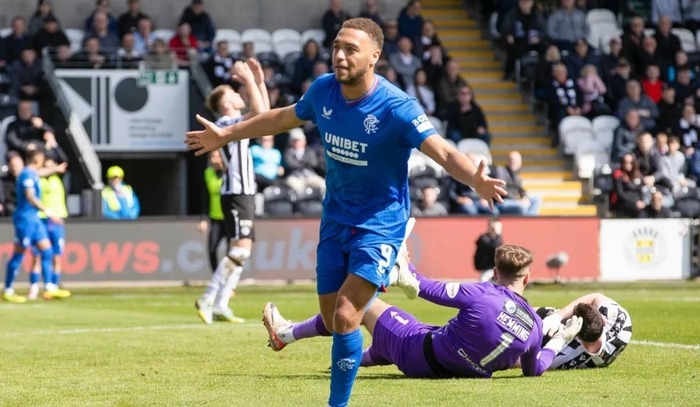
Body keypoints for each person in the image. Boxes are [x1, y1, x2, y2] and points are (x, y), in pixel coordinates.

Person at [185, 18, 506, 407]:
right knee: (334, 316)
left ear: (374, 56)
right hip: (335, 219)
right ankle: (369, 286)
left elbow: (442, 151)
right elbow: (282, 117)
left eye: (350, 49)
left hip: (380, 224)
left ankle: (337, 403)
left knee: (346, 313)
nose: (339, 55)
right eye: (336, 46)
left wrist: (476, 179)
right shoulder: (323, 90)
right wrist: (227, 133)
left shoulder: (397, 107)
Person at [262, 245, 583, 379]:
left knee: (361, 302)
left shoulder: (483, 292)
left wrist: (406, 266)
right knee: (403, 335)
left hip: (418, 353)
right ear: (527, 278)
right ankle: (346, 363)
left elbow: (429, 290)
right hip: (444, 362)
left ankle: (285, 334)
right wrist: (560, 341)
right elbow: (534, 370)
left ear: (495, 272)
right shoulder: (536, 330)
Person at [194, 58, 269, 325]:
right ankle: (209, 297)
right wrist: (249, 79)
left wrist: (258, 81)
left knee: (241, 251)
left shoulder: (231, 121)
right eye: (234, 93)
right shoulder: (227, 120)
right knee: (240, 251)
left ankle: (221, 304)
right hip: (237, 192)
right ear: (226, 104)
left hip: (241, 192)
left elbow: (265, 118)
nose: (239, 95)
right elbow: (260, 115)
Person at [3, 149, 70, 303]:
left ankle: (49, 287)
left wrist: (55, 169)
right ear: (38, 158)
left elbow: (42, 172)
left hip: (34, 219)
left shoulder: (33, 173)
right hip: (25, 219)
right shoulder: (27, 174)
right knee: (19, 254)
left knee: (47, 250)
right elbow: (30, 196)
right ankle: (8, 289)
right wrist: (48, 211)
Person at [539, 292, 632, 369]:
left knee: (540, 318)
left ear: (576, 334)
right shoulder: (620, 321)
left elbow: (533, 362)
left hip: (554, 339)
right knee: (553, 314)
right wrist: (559, 315)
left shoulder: (561, 359)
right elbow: (595, 297)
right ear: (603, 321)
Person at [29, 155, 68, 299]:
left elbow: (64, 158)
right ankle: (34, 288)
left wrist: (51, 139)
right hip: (42, 220)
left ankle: (53, 286)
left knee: (56, 256)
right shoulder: (38, 180)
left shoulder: (59, 180)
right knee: (38, 255)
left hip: (57, 221)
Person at [198, 150, 226, 273]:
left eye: (217, 156)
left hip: (229, 218)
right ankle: (217, 277)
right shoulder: (208, 174)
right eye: (212, 157)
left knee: (231, 253)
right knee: (212, 249)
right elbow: (205, 198)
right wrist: (204, 219)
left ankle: (229, 281)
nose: (214, 160)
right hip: (216, 218)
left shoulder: (229, 173)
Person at [474, 217, 503, 282]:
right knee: (483, 281)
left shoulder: (497, 238)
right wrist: (498, 235)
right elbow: (494, 247)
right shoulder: (484, 239)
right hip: (486, 266)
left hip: (493, 267)